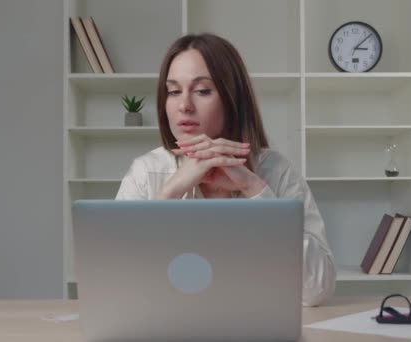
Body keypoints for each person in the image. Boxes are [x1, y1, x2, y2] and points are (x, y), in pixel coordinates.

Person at [115, 33, 336, 306]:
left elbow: (317, 291)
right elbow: (117, 286)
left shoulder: (275, 171)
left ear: (233, 98)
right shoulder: (146, 172)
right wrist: (170, 192)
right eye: (173, 91)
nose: (184, 105)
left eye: (202, 90)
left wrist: (255, 190)